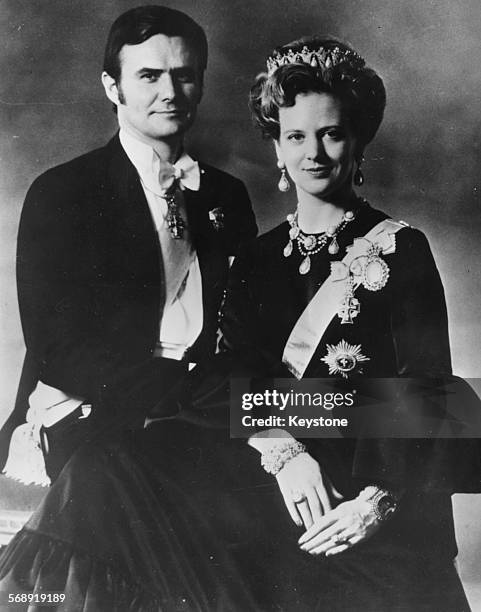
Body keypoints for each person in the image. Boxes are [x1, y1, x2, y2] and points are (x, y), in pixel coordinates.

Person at [211, 36, 477, 610]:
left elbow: (431, 395)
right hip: (280, 501)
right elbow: (233, 379)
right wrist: (287, 454)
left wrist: (374, 504)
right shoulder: (255, 260)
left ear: (357, 142)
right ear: (277, 149)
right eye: (295, 136)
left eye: (331, 134)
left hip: (379, 513)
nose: (314, 153)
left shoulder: (404, 249)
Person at [0, 5, 256, 485]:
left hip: (198, 419)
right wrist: (193, 392)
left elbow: (239, 328)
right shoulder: (62, 191)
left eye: (184, 76)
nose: (169, 92)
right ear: (112, 87)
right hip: (94, 419)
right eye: (148, 76)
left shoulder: (227, 195)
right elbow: (60, 349)